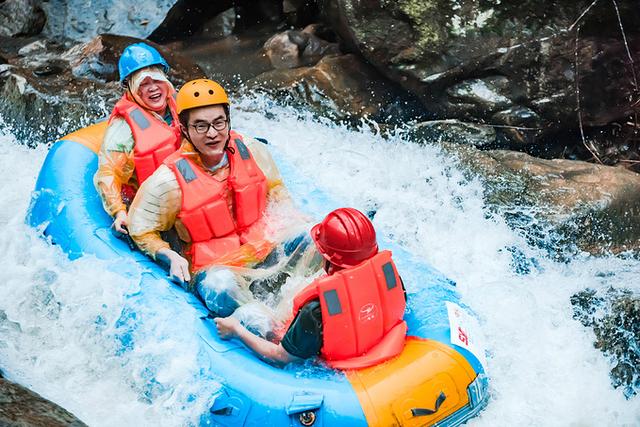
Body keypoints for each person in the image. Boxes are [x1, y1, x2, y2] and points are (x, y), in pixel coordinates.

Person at [127, 78, 290, 285]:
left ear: (228, 121)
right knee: (222, 285)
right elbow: (140, 228)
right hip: (216, 270)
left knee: (308, 235)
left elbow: (276, 189)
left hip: (263, 247)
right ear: (185, 129)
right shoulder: (168, 181)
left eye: (218, 122)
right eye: (201, 126)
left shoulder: (252, 150)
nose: (212, 133)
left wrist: (289, 220)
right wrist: (169, 256)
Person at [215, 208, 408, 370]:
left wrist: (236, 330)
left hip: (331, 360)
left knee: (249, 314)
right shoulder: (390, 275)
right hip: (375, 341)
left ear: (329, 258)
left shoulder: (316, 310)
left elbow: (281, 356)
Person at [94, 42, 181, 234]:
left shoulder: (181, 104)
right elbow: (108, 173)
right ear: (131, 89)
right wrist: (119, 212)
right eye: (143, 84)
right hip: (152, 201)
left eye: (157, 80)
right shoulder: (123, 130)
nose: (152, 88)